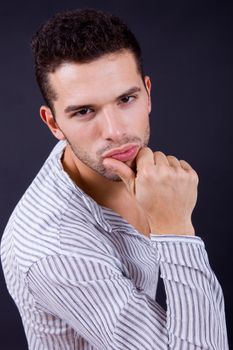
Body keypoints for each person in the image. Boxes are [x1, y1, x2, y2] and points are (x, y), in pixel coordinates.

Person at [1, 8, 229, 350]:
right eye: (84, 111)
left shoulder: (140, 172)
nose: (116, 132)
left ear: (147, 93)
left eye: (126, 99)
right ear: (53, 124)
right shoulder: (53, 249)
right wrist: (176, 228)